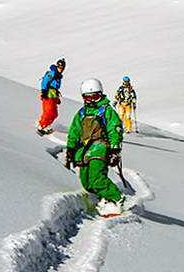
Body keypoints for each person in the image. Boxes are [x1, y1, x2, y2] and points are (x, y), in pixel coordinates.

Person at [65, 78, 128, 217]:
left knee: (96, 178)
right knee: (86, 182)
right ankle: (103, 197)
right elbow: (74, 131)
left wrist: (114, 149)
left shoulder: (106, 110)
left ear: (101, 94)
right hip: (84, 150)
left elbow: (114, 128)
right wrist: (70, 149)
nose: (92, 100)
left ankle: (116, 198)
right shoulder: (82, 113)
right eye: (88, 97)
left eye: (95, 97)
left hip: (101, 147)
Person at [35, 58, 66, 135]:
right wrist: (44, 91)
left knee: (54, 113)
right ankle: (41, 126)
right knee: (48, 111)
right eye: (60, 67)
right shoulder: (52, 73)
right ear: (57, 66)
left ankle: (46, 125)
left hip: (53, 95)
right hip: (48, 95)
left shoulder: (58, 75)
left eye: (62, 68)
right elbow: (45, 81)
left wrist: (57, 98)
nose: (61, 69)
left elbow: (55, 88)